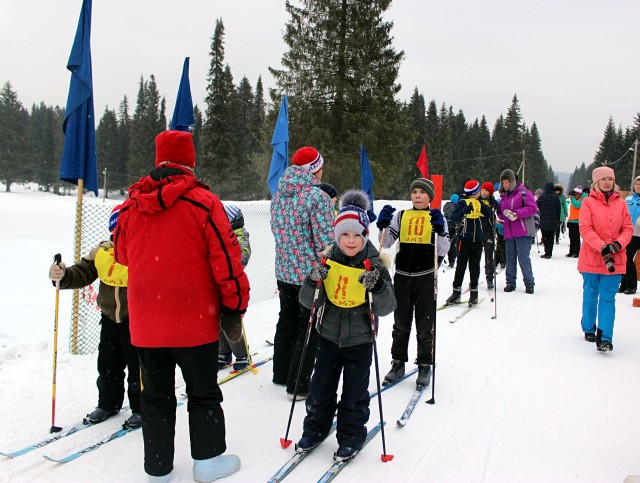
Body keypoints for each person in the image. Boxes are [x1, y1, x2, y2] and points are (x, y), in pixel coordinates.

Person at [113, 130, 250, 482]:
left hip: (146, 324)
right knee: (202, 392)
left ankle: (158, 468)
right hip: (194, 321)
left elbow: (123, 255)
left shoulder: (130, 206)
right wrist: (234, 306)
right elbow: (228, 260)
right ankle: (207, 461)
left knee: (155, 397)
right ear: (190, 161)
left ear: (158, 160)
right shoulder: (204, 203)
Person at [295, 190, 396, 460]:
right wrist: (313, 280)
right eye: (344, 235)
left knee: (354, 394)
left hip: (360, 340)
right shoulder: (328, 261)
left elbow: (387, 307)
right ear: (337, 235)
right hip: (327, 336)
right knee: (320, 388)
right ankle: (315, 428)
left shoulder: (375, 265)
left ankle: (351, 435)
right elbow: (309, 302)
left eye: (356, 235)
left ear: (365, 235)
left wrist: (378, 286)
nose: (351, 241)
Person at [48, 205, 140, 429]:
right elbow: (82, 272)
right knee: (108, 365)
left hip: (137, 321)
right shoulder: (102, 251)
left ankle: (142, 408)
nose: (117, 237)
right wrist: (63, 275)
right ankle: (108, 404)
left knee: (139, 369)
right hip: (109, 319)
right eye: (115, 232)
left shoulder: (141, 250)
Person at [270, 146, 334, 400]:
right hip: (309, 273)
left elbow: (276, 230)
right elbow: (325, 241)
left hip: (284, 270)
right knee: (308, 327)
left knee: (287, 320)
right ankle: (299, 384)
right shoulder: (315, 197)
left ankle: (281, 372)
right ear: (314, 169)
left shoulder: (279, 195)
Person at [376, 178, 450, 387]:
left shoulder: (436, 217)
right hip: (402, 277)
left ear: (430, 196)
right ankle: (398, 362)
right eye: (414, 191)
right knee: (400, 323)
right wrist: (382, 225)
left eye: (422, 192)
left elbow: (444, 249)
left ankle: (425, 364)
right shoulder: (402, 216)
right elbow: (386, 242)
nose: (417, 195)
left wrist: (440, 230)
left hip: (426, 276)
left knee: (425, 324)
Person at [577, 166, 633, 352]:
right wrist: (602, 246)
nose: (608, 182)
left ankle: (605, 337)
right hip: (592, 258)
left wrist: (617, 244)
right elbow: (585, 228)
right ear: (596, 183)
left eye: (610, 178)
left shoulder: (622, 203)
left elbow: (628, 228)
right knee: (591, 294)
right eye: (604, 179)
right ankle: (588, 326)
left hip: (615, 260)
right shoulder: (588, 203)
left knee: (608, 298)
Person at [445, 180, 492, 305]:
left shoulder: (479, 202)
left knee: (474, 267)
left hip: (477, 240)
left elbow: (488, 213)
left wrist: (489, 205)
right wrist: (464, 211)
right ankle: (456, 293)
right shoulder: (462, 202)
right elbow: (454, 217)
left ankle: (474, 294)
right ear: (474, 192)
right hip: (464, 239)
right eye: (478, 191)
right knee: (461, 267)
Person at [218, 203, 252, 371]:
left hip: (233, 284)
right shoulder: (222, 234)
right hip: (220, 281)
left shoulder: (239, 235)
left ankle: (242, 355)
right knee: (217, 320)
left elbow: (243, 256)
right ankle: (223, 353)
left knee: (231, 321)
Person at [497, 169, 537, 294]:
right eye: (503, 182)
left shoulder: (524, 193)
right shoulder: (503, 197)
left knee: (523, 258)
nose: (505, 185)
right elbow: (501, 211)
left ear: (513, 182)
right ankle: (510, 282)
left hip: (522, 232)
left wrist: (517, 214)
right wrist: (500, 217)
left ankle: (529, 283)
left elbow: (532, 208)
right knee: (510, 259)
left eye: (507, 182)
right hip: (508, 232)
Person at [618, 176, 640, 295]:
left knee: (629, 258)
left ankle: (631, 285)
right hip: (627, 233)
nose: (638, 186)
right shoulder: (628, 198)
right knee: (624, 258)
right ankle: (624, 284)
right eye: (636, 183)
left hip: (638, 234)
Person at [480, 181, 499, 289]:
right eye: (482, 190)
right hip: (478, 230)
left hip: (489, 231)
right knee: (476, 257)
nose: (484, 192)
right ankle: (475, 278)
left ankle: (489, 278)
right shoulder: (478, 201)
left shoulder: (493, 202)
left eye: (486, 190)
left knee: (489, 256)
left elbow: (498, 210)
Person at [537, 182, 561, 258]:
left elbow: (536, 205)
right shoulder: (556, 198)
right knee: (551, 237)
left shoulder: (542, 197)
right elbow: (558, 210)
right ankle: (550, 252)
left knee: (545, 237)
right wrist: (558, 220)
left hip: (543, 220)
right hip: (553, 221)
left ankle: (546, 252)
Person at [567, 185, 586, 258]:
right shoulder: (575, 199)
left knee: (576, 237)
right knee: (571, 237)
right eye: (574, 193)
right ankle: (571, 252)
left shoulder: (583, 199)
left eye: (577, 194)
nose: (575, 195)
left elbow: (576, 205)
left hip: (578, 221)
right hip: (572, 220)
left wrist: (572, 198)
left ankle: (576, 252)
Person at [443, 193, 459, 268]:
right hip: (453, 227)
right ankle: (452, 261)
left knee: (445, 243)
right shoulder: (455, 208)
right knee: (453, 245)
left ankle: (441, 258)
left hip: (446, 227)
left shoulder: (447, 206)